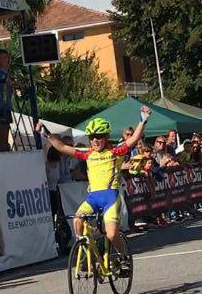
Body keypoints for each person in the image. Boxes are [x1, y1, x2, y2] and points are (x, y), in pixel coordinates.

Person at [36, 107, 151, 267]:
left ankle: (124, 257)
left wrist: (143, 120)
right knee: (77, 219)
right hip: (93, 198)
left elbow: (134, 139)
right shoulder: (87, 153)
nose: (95, 140)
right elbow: (62, 147)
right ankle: (83, 249)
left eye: (99, 137)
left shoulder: (115, 151)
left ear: (107, 137)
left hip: (111, 198)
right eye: (92, 137)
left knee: (111, 234)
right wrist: (47, 134)